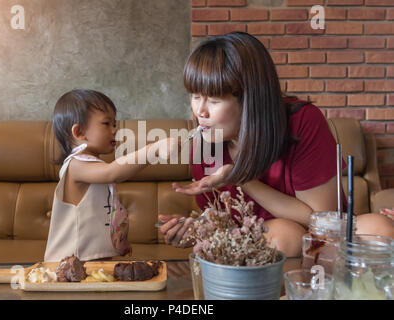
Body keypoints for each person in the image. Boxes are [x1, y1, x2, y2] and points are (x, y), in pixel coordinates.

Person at [158, 32, 394, 257]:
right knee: (283, 236)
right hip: (271, 242)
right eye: (195, 96)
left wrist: (240, 178)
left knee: (380, 228)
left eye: (214, 99)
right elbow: (227, 224)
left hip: (326, 239)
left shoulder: (302, 123)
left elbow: (321, 221)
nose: (200, 111)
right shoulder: (206, 144)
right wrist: (197, 230)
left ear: (250, 100)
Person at [44, 89, 177, 262]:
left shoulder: (95, 167)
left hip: (93, 260)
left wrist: (117, 242)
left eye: (115, 124)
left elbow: (103, 214)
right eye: (107, 124)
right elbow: (112, 173)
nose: (114, 130)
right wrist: (154, 149)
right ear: (79, 132)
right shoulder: (75, 165)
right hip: (69, 263)